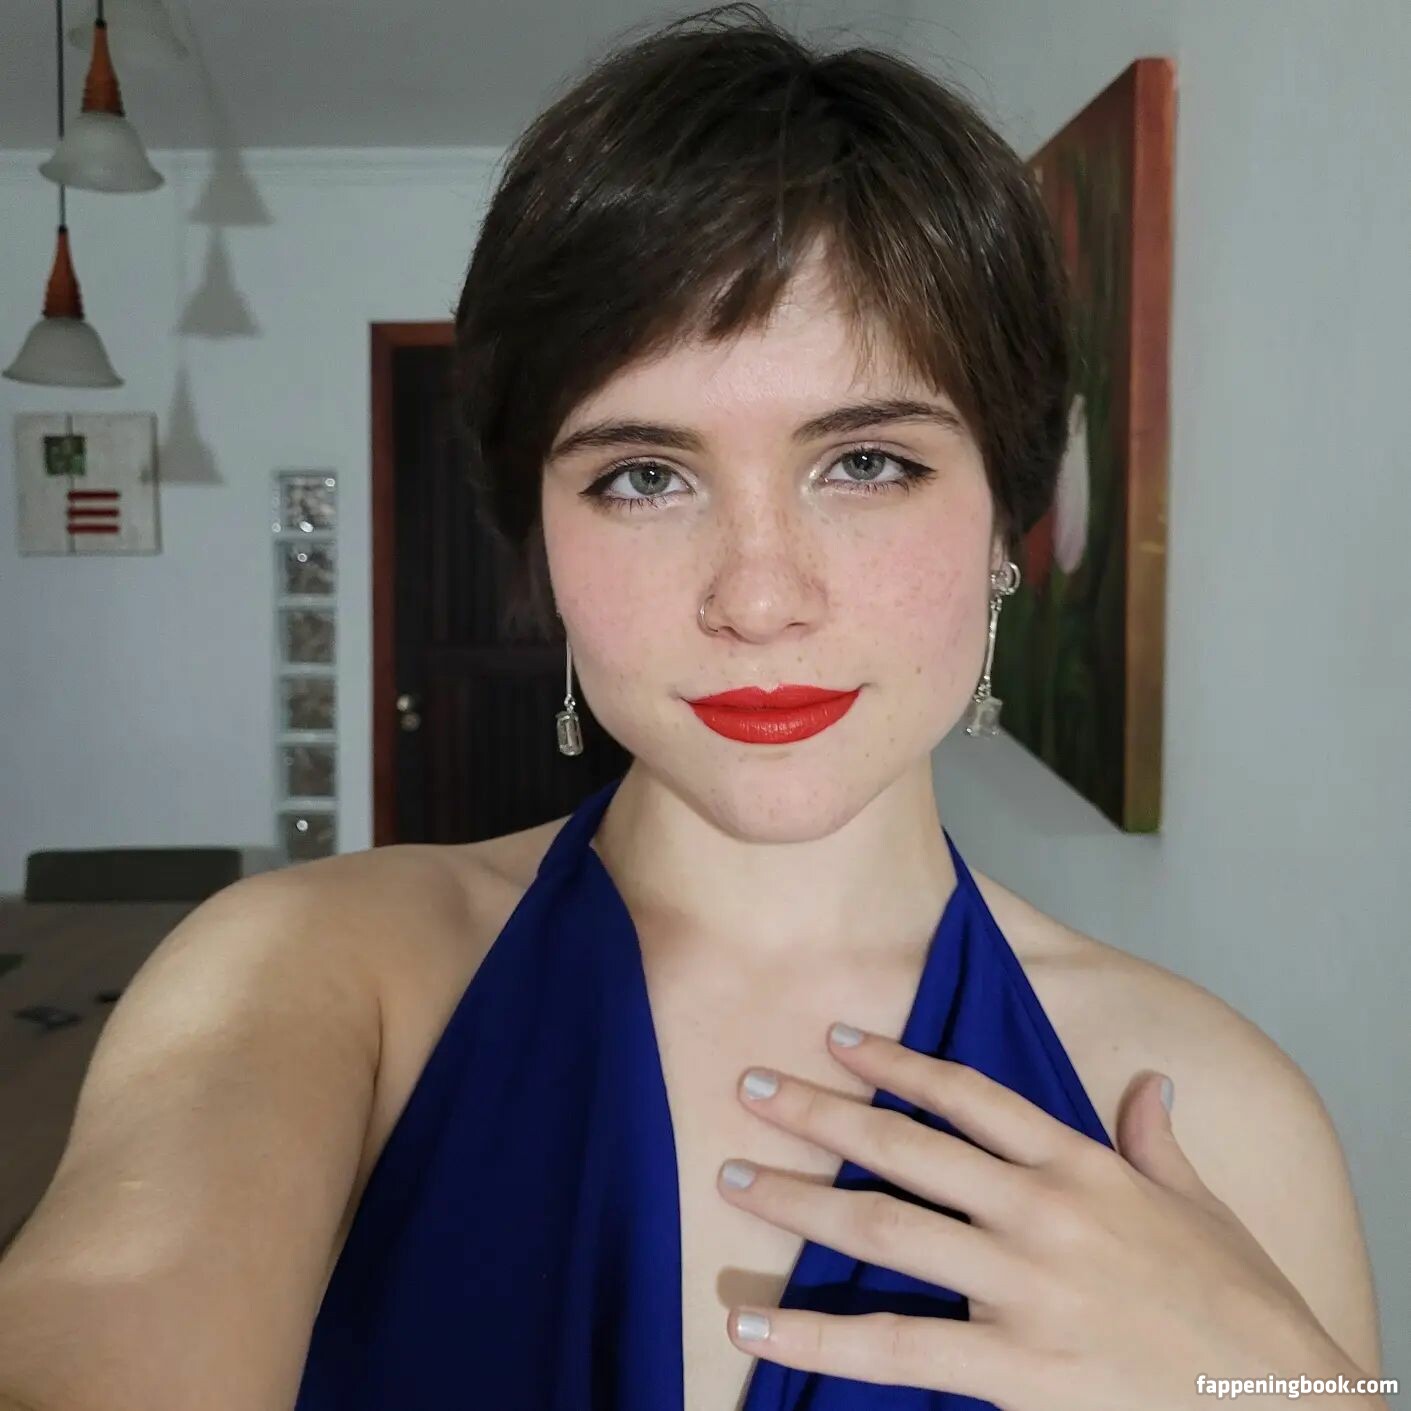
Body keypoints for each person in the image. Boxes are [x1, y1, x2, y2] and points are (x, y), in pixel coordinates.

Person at [0, 6, 1385, 1411]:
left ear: (1003, 519)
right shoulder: (319, 979)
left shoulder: (1207, 1112)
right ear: (541, 545)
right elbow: (108, 1310)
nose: (759, 598)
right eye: (644, 478)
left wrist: (1283, 1390)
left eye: (866, 462)